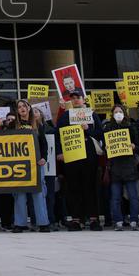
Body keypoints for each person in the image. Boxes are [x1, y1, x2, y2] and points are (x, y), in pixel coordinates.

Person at [55, 90, 103, 231]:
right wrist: (59, 152)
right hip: (72, 156)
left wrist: (88, 129)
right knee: (74, 188)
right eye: (73, 98)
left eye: (78, 98)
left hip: (89, 156)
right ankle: (77, 219)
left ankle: (93, 219)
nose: (75, 100)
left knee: (90, 187)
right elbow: (58, 134)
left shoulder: (92, 115)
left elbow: (100, 133)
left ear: (84, 99)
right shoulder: (66, 116)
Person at [11, 99, 50, 233]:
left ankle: (43, 223)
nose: (22, 108)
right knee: (19, 193)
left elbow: (43, 143)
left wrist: (44, 158)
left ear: (29, 108)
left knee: (38, 193)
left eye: (24, 106)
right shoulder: (12, 125)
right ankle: (20, 224)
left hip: (35, 164)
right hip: (18, 165)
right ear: (16, 111)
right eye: (19, 107)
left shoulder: (37, 124)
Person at [103, 104, 139, 231]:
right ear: (112, 114)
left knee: (133, 196)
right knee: (115, 197)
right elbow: (104, 148)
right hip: (115, 167)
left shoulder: (131, 127)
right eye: (116, 112)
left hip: (129, 165)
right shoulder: (108, 128)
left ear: (124, 113)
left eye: (120, 111)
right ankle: (118, 221)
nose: (118, 114)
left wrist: (134, 146)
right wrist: (107, 148)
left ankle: (134, 221)